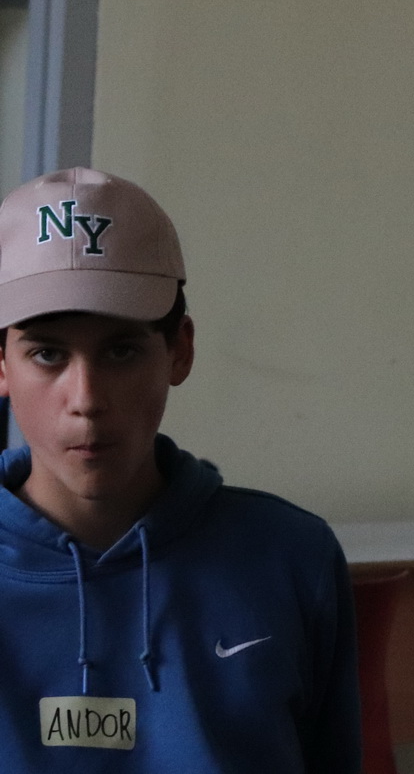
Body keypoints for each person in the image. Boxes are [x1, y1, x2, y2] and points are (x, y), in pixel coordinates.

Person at [0, 167, 359, 771]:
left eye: (121, 350)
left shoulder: (291, 559)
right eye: (47, 353)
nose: (86, 398)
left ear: (180, 350)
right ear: (2, 366)